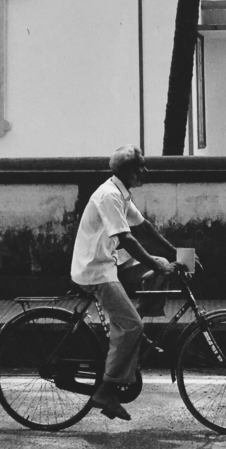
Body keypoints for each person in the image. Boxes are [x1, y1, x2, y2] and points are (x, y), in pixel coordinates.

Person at [70, 144, 179, 421]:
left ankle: (135, 321)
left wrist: (175, 255)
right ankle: (105, 391)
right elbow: (128, 239)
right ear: (128, 171)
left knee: (161, 267)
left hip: (111, 259)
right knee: (132, 325)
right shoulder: (109, 195)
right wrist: (157, 263)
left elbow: (143, 227)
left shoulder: (120, 192)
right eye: (141, 166)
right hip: (96, 268)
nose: (146, 170)